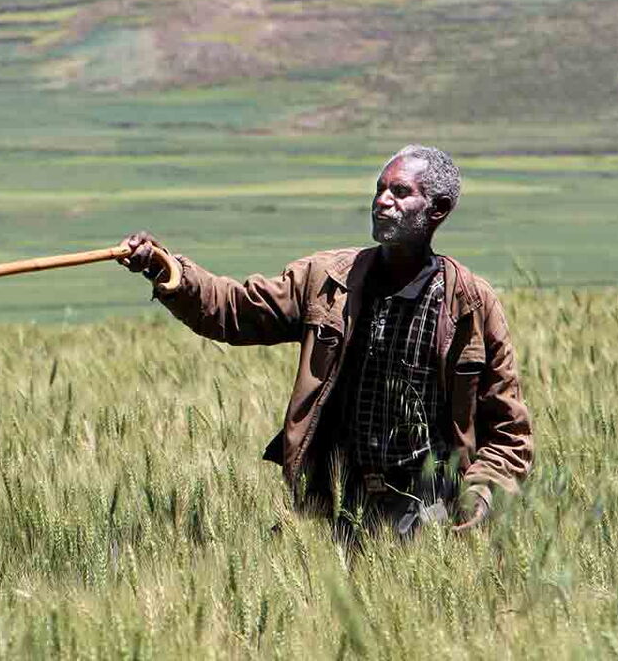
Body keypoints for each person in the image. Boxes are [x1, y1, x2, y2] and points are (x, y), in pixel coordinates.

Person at [119, 145, 533, 538]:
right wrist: (167, 269)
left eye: (400, 192)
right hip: (336, 504)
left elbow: (509, 433)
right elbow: (235, 311)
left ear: (438, 210)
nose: (382, 200)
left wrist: (480, 493)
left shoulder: (471, 305)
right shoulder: (327, 281)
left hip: (430, 511)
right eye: (380, 189)